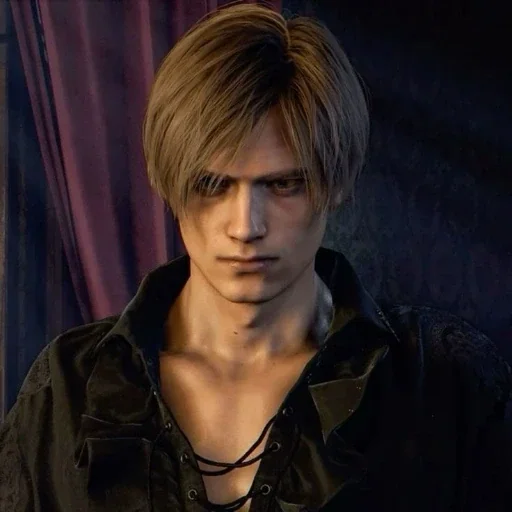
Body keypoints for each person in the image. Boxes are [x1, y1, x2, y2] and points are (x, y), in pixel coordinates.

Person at [1, 3, 511, 511]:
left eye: (284, 184)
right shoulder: (66, 393)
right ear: (172, 185)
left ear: (333, 184)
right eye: (212, 184)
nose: (246, 227)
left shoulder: (443, 383)